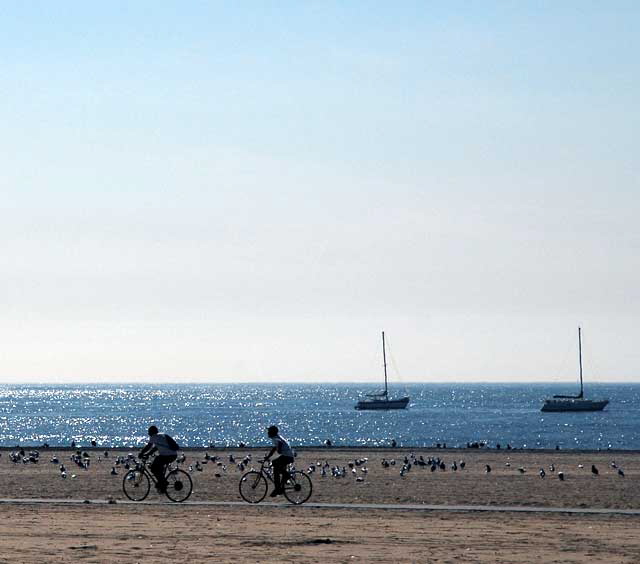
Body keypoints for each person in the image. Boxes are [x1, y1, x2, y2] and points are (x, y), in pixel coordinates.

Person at [139, 425, 179, 492]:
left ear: (152, 432)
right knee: (158, 467)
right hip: (172, 455)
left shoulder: (154, 437)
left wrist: (141, 453)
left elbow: (149, 446)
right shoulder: (161, 435)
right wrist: (148, 454)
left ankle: (163, 482)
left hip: (167, 456)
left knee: (153, 468)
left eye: (149, 432)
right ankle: (162, 486)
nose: (148, 434)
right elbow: (156, 447)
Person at [264, 425, 294, 497]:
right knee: (278, 468)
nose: (268, 433)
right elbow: (274, 448)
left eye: (269, 432)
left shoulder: (275, 438)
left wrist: (279, 450)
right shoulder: (276, 437)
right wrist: (268, 456)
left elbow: (279, 444)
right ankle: (280, 488)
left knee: (275, 465)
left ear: (272, 432)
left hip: (287, 456)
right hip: (288, 456)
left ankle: (278, 488)